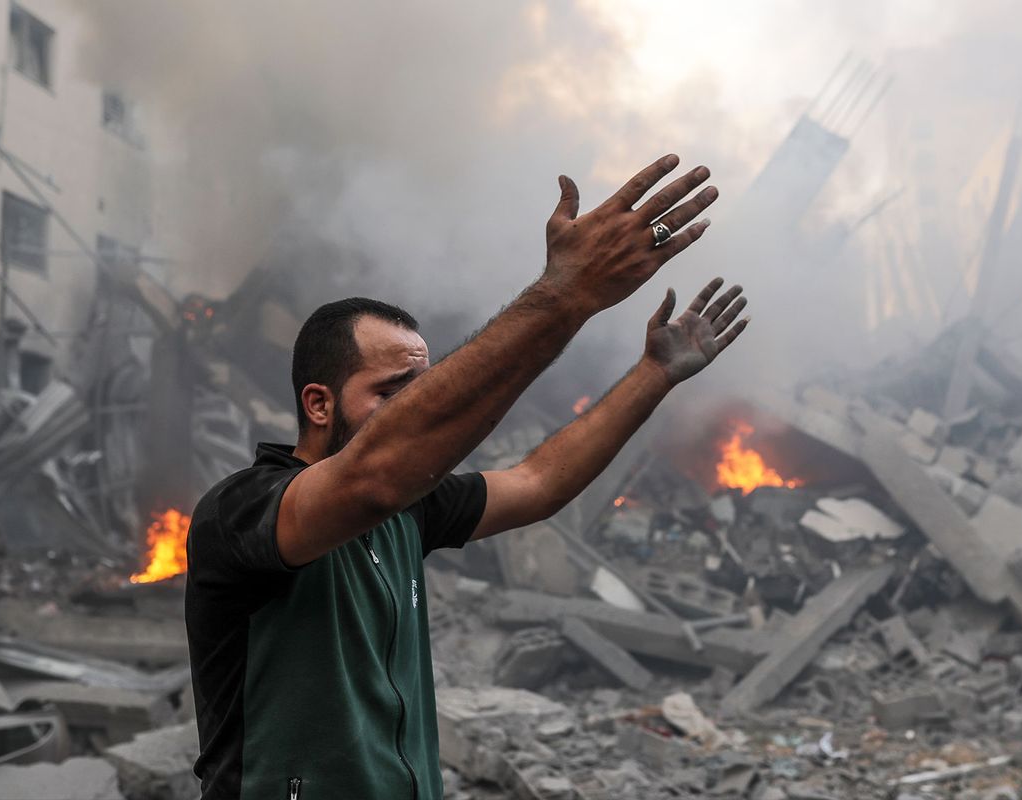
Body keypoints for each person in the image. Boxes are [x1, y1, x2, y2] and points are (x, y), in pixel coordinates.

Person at [185, 154, 749, 800]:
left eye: (426, 391)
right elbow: (369, 478)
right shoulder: (242, 513)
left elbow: (539, 482)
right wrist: (567, 294)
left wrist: (654, 374)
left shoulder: (408, 511)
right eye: (395, 392)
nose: (426, 412)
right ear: (318, 404)